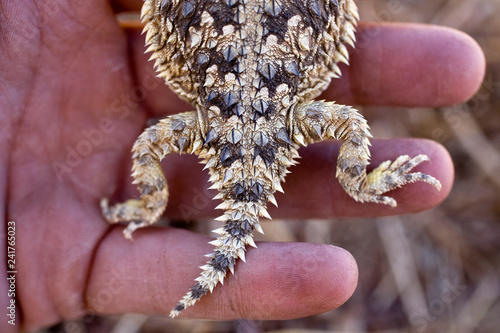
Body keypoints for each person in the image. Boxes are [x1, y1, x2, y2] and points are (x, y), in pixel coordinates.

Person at [0, 1, 485, 331]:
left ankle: (150, 206)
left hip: (236, 110)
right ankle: (357, 180)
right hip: (269, 110)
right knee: (349, 127)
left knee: (151, 144)